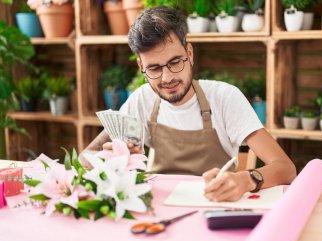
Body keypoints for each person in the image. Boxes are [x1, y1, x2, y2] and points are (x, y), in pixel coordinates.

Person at [80, 6, 296, 202]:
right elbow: (85, 157)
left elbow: (286, 169)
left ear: (189, 54)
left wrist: (245, 180)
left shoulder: (224, 98)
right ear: (141, 66)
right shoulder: (142, 100)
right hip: (158, 209)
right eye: (154, 69)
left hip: (215, 205)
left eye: (175, 62)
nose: (166, 78)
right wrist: (107, 158)